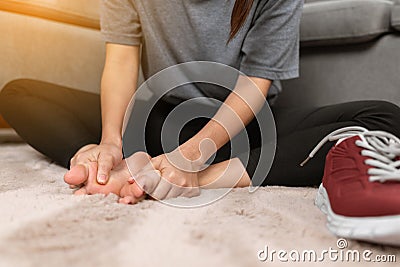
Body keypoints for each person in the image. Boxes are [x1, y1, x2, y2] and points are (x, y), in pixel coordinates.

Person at [1, 0, 400, 245]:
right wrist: (111, 142)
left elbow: (253, 84)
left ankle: (192, 179)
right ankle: (126, 166)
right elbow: (121, 59)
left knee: (383, 117)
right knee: (19, 94)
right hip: (158, 119)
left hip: (238, 127)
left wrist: (193, 156)